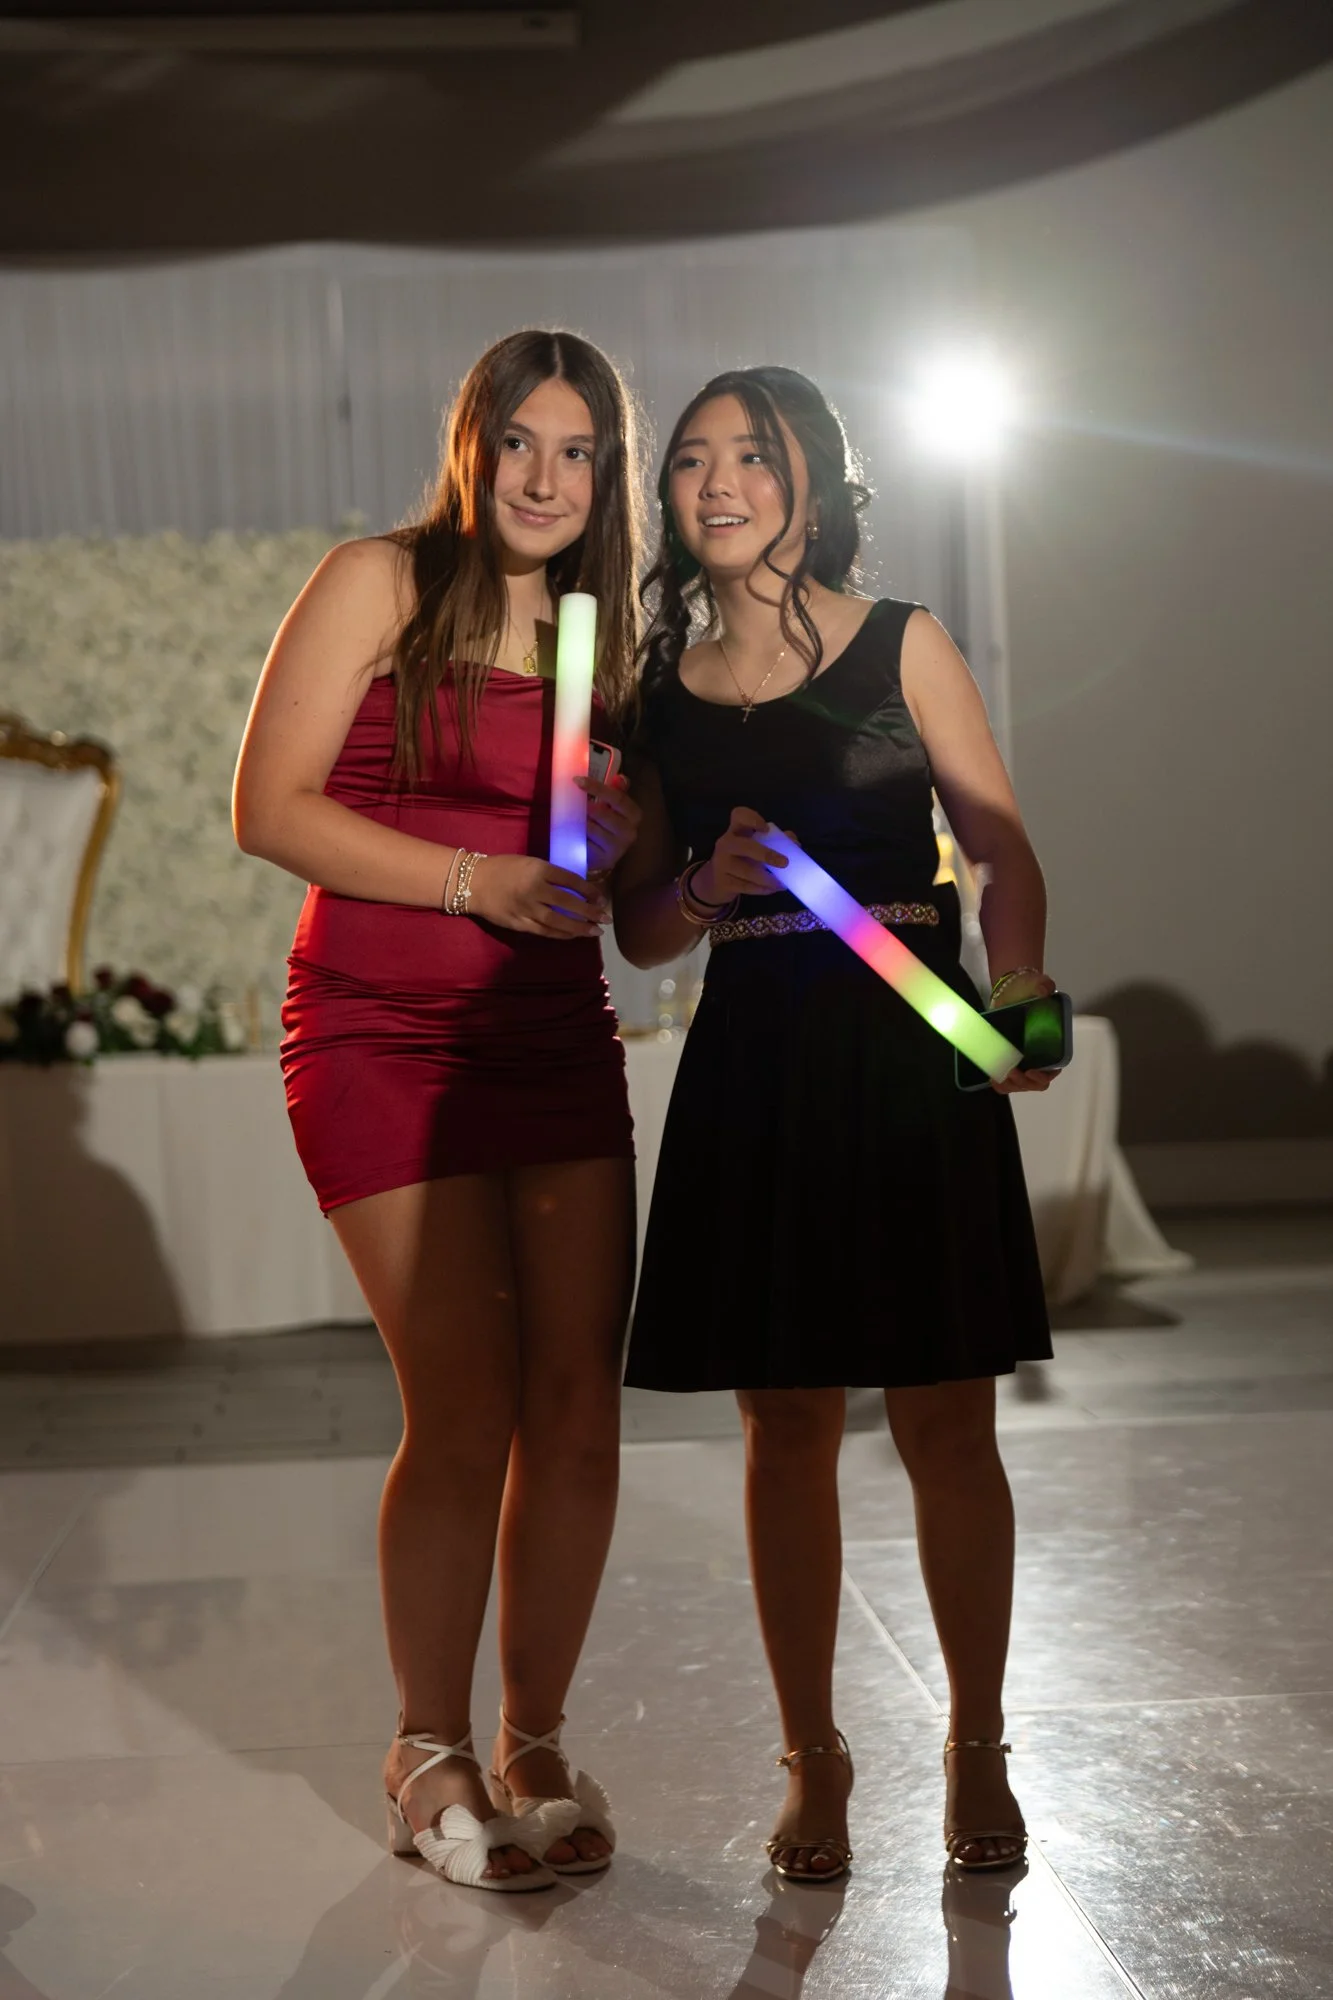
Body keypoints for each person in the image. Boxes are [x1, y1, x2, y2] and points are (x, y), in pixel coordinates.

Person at [614, 365, 1057, 1882]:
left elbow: (996, 840)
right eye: (691, 461)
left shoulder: (902, 642)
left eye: (754, 453)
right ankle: (814, 1757)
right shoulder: (654, 698)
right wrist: (697, 887)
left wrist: (1031, 992)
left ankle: (979, 1740)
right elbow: (645, 931)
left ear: (816, 479)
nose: (720, 481)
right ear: (666, 498)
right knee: (781, 1425)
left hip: (909, 1046)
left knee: (948, 1418)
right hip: (755, 1063)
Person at [233, 329, 643, 1892]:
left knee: (582, 1409)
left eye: (580, 451)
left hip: (548, 1033)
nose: (546, 477)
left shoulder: (611, 639)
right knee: (465, 1404)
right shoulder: (377, 581)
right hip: (377, 1032)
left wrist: (620, 830)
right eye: (521, 442)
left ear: (607, 473)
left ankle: (533, 1738)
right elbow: (269, 809)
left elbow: (606, 882)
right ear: (473, 446)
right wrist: (477, 877)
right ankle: (426, 1742)